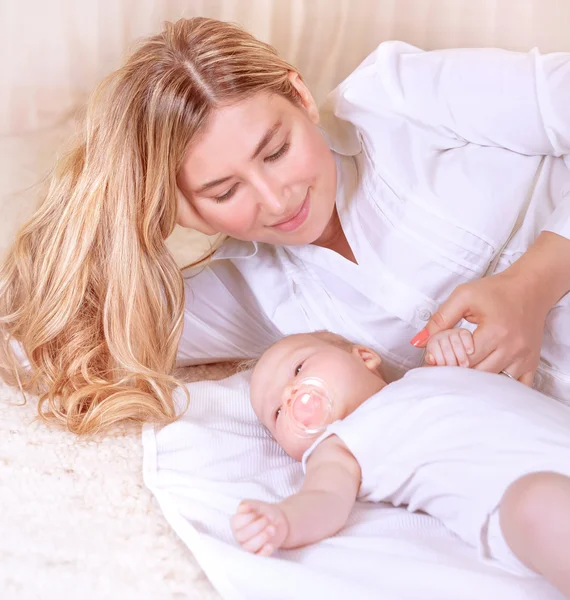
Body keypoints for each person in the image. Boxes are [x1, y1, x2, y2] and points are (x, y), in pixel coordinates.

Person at [1, 17, 570, 434]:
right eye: (224, 191)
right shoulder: (243, 292)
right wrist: (123, 210)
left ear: (299, 96)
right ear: (178, 208)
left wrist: (532, 284)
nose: (277, 200)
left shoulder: (396, 101)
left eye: (275, 151)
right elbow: (35, 336)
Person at [232, 331, 570, 598]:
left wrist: (456, 344)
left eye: (299, 368)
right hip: (522, 494)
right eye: (276, 412)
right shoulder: (338, 446)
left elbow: (495, 356)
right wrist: (285, 520)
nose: (291, 394)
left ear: (364, 356)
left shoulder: (433, 372)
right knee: (537, 506)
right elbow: (324, 499)